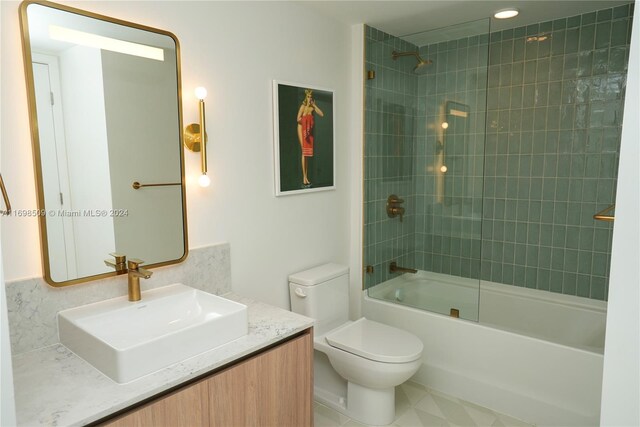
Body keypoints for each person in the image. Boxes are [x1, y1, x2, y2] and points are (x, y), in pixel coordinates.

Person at [296, 89, 324, 187]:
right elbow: (297, 119)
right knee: (304, 151)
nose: (309, 98)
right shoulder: (303, 106)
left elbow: (321, 114)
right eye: (308, 97)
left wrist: (314, 105)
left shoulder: (312, 108)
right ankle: (304, 177)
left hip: (308, 130)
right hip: (301, 128)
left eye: (311, 97)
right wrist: (306, 119)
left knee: (307, 154)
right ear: (306, 97)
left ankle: (306, 177)